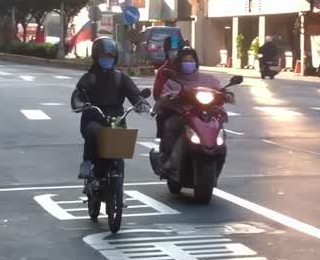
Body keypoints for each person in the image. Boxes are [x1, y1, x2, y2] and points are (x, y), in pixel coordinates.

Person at [72, 37, 146, 180]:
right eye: (103, 57)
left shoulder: (121, 78)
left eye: (110, 57)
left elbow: (134, 94)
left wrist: (141, 103)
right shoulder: (89, 78)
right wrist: (80, 104)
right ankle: (87, 162)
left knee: (121, 141)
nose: (107, 60)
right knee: (93, 131)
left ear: (115, 58)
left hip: (116, 120)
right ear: (96, 57)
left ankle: (118, 182)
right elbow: (77, 95)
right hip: (93, 118)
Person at [156, 47, 224, 169]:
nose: (188, 63)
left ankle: (219, 158)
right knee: (171, 126)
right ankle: (166, 158)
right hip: (182, 115)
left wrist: (226, 94)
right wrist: (171, 96)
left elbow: (219, 90)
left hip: (205, 115)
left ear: (196, 62)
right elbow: (164, 95)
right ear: (179, 63)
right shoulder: (173, 81)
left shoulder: (208, 79)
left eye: (191, 60)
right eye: (185, 61)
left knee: (219, 130)